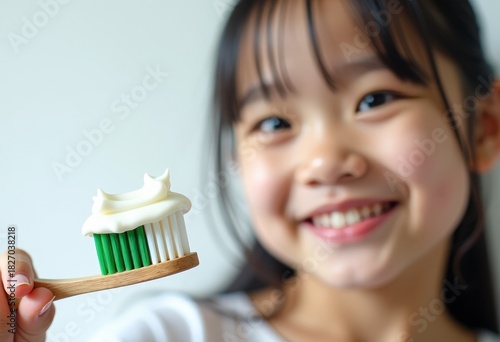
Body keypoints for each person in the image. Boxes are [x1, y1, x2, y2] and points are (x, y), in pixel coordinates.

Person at [2, 0, 500, 341]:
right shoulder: (167, 335)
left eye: (375, 99)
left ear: (485, 126)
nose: (325, 162)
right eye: (275, 122)